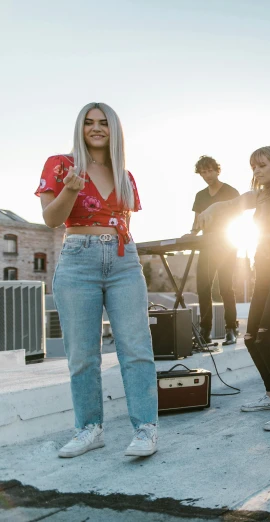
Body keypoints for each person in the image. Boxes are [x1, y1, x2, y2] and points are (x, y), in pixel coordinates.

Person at [35, 102, 159, 458]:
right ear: (80, 127)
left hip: (123, 261)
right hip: (78, 260)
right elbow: (50, 219)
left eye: (103, 122)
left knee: (136, 349)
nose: (96, 128)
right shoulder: (60, 165)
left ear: (114, 129)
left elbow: (124, 222)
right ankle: (90, 428)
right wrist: (70, 190)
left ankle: (146, 430)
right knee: (82, 355)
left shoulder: (125, 175)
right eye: (89, 122)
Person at [198, 146, 270, 431]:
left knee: (266, 341)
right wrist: (212, 208)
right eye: (253, 166)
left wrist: (265, 235)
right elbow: (234, 204)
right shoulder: (261, 195)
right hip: (265, 275)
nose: (256, 171)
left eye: (262, 166)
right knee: (250, 338)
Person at [184, 155, 240, 345]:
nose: (207, 175)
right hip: (206, 246)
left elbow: (238, 217)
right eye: (203, 172)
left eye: (210, 170)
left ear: (217, 170)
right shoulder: (200, 196)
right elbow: (197, 221)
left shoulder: (231, 191)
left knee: (225, 288)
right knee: (203, 288)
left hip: (227, 245)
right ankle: (205, 330)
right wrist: (191, 234)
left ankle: (231, 328)